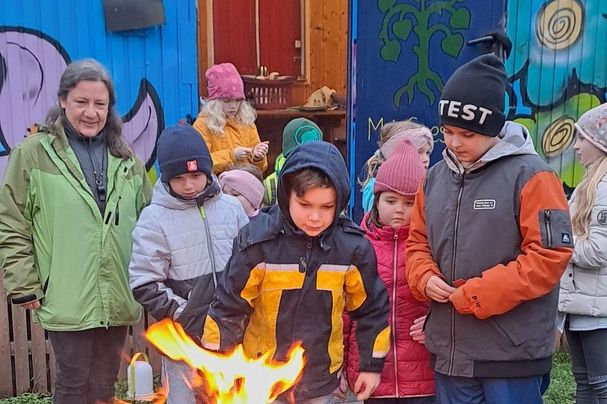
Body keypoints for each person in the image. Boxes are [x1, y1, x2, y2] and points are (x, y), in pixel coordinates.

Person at [405, 54, 574, 404]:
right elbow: (417, 241)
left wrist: (478, 294)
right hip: (451, 356)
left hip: (510, 357)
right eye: (447, 132)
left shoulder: (534, 176)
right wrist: (422, 276)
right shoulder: (435, 178)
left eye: (467, 133)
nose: (453, 143)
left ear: (495, 128)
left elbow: (550, 256)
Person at [0, 59, 151, 404]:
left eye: (100, 104)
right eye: (81, 102)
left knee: (103, 385)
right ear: (63, 100)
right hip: (66, 291)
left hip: (116, 292)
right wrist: (24, 282)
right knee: (73, 382)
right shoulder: (33, 155)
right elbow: (11, 220)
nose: (91, 113)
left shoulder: (127, 160)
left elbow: (149, 222)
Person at [201, 141, 391, 403]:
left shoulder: (352, 249)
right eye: (305, 204)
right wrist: (217, 370)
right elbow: (227, 309)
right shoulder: (257, 243)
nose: (315, 217)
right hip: (261, 379)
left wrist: (371, 366)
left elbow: (373, 309)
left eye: (326, 207)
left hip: (321, 381)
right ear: (286, 195)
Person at [129, 124, 248, 403]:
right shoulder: (154, 219)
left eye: (196, 175)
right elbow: (143, 283)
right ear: (166, 178)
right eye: (179, 177)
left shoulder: (231, 209)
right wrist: (186, 315)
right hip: (185, 340)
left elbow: (250, 264)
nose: (189, 185)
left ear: (207, 171)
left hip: (234, 333)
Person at [344, 141, 435, 403]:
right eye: (391, 200)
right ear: (376, 201)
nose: (399, 209)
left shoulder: (432, 245)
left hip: (424, 377)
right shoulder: (358, 246)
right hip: (372, 373)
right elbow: (345, 311)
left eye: (409, 203)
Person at [557, 103, 607, 404]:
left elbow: (600, 251)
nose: (576, 146)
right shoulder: (589, 186)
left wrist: (560, 241)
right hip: (582, 308)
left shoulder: (603, 189)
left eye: (582, 138)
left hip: (598, 313)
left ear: (600, 142)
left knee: (601, 386)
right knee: (586, 385)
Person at [193, 62, 268, 175]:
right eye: (227, 101)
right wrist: (231, 156)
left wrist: (258, 157)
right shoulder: (203, 124)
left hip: (245, 184)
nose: (233, 106)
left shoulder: (246, 121)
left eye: (238, 100)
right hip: (217, 188)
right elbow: (200, 162)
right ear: (215, 101)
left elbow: (260, 169)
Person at [360, 121, 433, 213]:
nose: (426, 159)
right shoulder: (377, 188)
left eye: (428, 153)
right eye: (419, 151)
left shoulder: (427, 184)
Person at [264, 117, 323, 205]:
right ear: (287, 156)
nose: (306, 162)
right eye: (298, 157)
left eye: (313, 156)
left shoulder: (330, 180)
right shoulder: (270, 185)